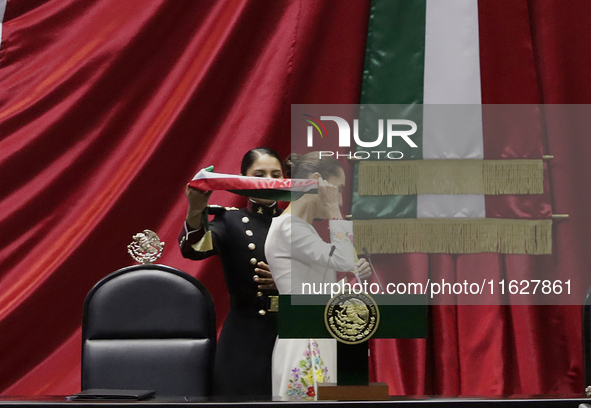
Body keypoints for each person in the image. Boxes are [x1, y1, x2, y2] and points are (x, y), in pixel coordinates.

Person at [264, 152, 371, 400]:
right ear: (317, 180)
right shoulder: (289, 228)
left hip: (317, 333)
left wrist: (349, 282)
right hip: (304, 340)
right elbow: (344, 260)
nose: (340, 199)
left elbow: (316, 289)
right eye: (339, 189)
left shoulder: (301, 228)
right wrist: (333, 209)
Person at [178, 148, 283, 397]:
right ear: (243, 179)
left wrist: (290, 281)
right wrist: (195, 210)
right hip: (245, 340)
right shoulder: (231, 222)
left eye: (275, 174)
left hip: (292, 337)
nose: (268, 180)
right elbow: (193, 249)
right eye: (259, 174)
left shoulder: (300, 223)